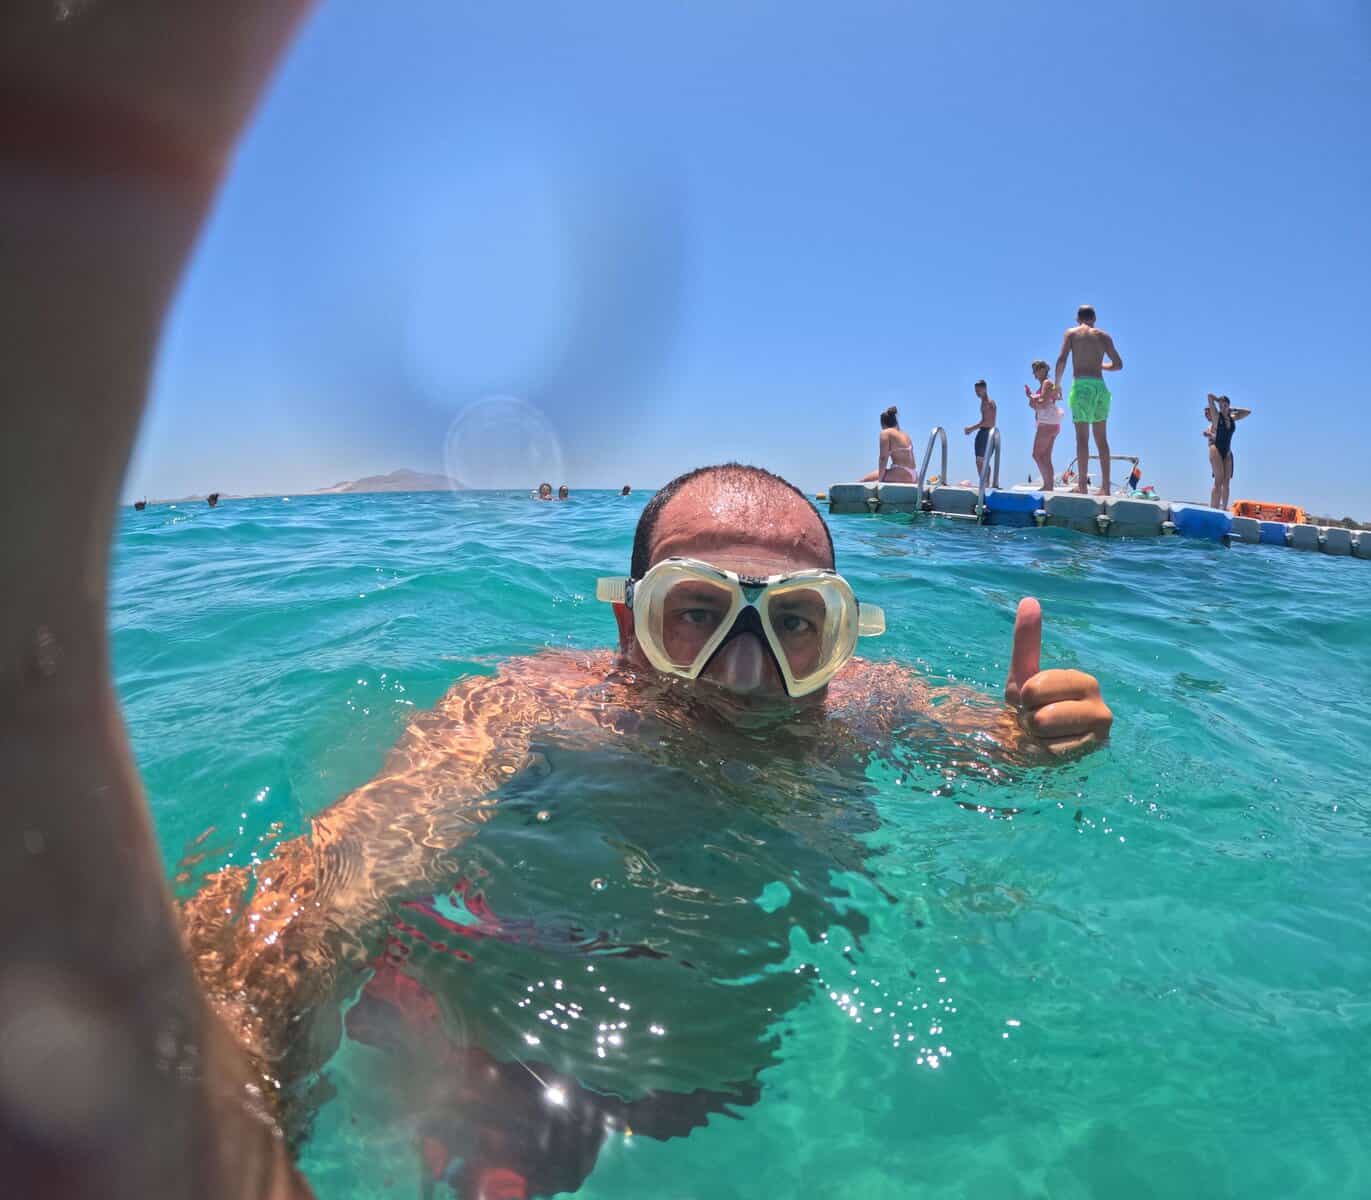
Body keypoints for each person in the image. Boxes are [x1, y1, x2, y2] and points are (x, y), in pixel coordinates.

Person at [2, 9, 1112, 1198]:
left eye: (792, 624)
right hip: (507, 1027)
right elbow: (329, 888)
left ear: (840, 643)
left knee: (684, 1109)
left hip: (706, 1049)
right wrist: (215, 1089)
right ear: (626, 626)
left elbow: (991, 752)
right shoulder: (536, 713)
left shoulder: (869, 710)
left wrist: (1032, 739)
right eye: (697, 613)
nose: (747, 672)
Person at [1054, 305, 1123, 496]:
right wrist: (1101, 366)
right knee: (1102, 439)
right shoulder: (1104, 336)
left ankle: (1082, 486)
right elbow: (1118, 365)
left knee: (1082, 438)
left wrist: (1057, 384)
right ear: (1094, 318)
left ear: (1078, 318)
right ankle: (1106, 488)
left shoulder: (1072, 333)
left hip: (1081, 387)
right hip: (1100, 388)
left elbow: (1062, 359)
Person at [1204, 393, 1251, 510]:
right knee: (1218, 480)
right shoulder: (1216, 417)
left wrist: (1233, 409)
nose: (1223, 407)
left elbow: (1247, 412)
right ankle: (1213, 508)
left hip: (1227, 451)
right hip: (1216, 449)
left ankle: (1224, 508)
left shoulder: (1232, 417)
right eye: (1221, 405)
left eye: (1225, 405)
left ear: (1228, 405)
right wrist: (1217, 400)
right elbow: (1209, 397)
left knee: (1227, 483)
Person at [1024, 360, 1063, 491]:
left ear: (1043, 370)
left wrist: (1031, 397)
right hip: (1052, 423)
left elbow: (1043, 403)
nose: (1034, 373)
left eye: (1035, 370)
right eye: (1033, 370)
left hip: (1047, 423)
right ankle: (1048, 486)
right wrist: (1033, 400)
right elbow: (1039, 405)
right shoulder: (1046, 385)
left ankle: (1048, 485)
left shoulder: (1047, 383)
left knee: (1036, 454)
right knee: (1045, 456)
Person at [859, 405, 918, 483]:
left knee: (863, 481)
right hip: (914, 475)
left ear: (882, 424)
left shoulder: (886, 433)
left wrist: (880, 480)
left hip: (903, 474)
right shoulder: (905, 434)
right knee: (871, 477)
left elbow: (883, 458)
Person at [963, 380, 997, 482]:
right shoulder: (984, 402)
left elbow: (988, 422)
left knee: (980, 462)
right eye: (976, 391)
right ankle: (985, 484)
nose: (977, 393)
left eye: (979, 391)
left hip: (986, 433)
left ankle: (984, 484)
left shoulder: (988, 403)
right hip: (986, 433)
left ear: (985, 389)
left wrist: (971, 428)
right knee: (982, 461)